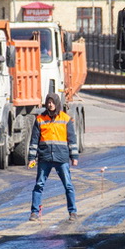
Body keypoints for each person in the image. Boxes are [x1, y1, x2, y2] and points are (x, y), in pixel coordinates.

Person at [27, 92, 79, 221]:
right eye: (48, 102)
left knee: (68, 186)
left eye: (52, 102)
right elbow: (34, 141)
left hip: (62, 158)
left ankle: (72, 212)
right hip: (45, 158)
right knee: (39, 185)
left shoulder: (66, 119)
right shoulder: (39, 119)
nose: (50, 105)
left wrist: (74, 157)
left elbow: (72, 140)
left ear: (57, 103)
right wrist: (31, 159)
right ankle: (34, 213)